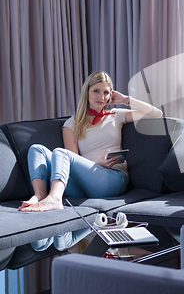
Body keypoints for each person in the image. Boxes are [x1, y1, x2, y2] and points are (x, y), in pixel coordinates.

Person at [19, 71, 163, 212]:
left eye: (106, 92)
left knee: (60, 153)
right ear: (86, 92)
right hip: (82, 185)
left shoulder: (116, 115)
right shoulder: (72, 123)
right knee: (37, 149)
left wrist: (126, 100)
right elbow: (71, 162)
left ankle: (55, 199)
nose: (101, 97)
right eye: (96, 91)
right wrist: (97, 162)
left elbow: (157, 113)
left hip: (112, 179)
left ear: (111, 95)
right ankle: (40, 195)